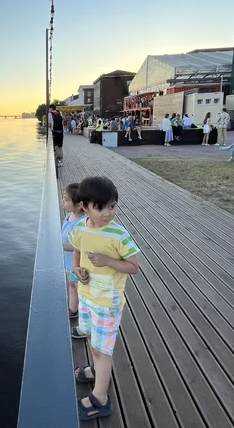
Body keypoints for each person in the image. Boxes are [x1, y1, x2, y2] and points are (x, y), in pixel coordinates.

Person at [68, 177, 140, 421]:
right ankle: (96, 370)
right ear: (83, 206)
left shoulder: (119, 235)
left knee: (101, 350)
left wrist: (108, 261)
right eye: (100, 207)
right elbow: (77, 249)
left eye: (112, 206)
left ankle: (100, 398)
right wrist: (77, 269)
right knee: (91, 339)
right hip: (87, 296)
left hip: (107, 303)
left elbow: (133, 266)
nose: (108, 213)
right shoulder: (79, 228)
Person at [62, 183, 87, 319]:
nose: (63, 202)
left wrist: (61, 246)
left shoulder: (81, 224)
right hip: (68, 261)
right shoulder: (69, 216)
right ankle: (73, 309)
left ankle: (85, 320)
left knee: (80, 289)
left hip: (77, 263)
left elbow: (81, 247)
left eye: (66, 200)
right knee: (72, 285)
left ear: (78, 205)